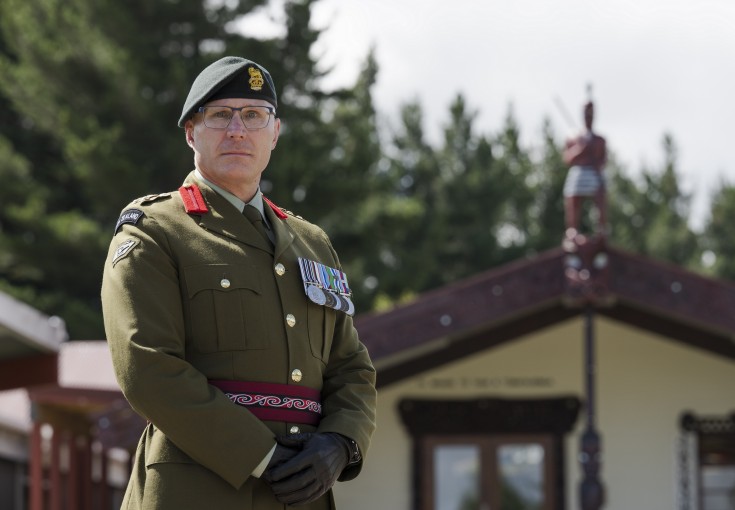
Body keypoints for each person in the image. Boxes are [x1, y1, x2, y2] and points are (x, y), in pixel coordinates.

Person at [101, 56, 377, 509]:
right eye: (219, 115)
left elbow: (351, 367)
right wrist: (260, 455)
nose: (237, 130)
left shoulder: (313, 244)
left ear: (275, 133)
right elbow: (147, 367)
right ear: (191, 132)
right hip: (196, 489)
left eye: (253, 115)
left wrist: (340, 444)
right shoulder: (153, 230)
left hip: (302, 493)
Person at [562, 101, 607, 237]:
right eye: (586, 113)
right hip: (579, 174)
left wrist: (595, 161)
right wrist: (581, 149)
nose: (589, 116)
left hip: (594, 173)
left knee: (600, 197)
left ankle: (601, 230)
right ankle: (573, 230)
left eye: (591, 113)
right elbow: (567, 159)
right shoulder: (573, 138)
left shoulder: (599, 140)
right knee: (573, 198)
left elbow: (603, 159)